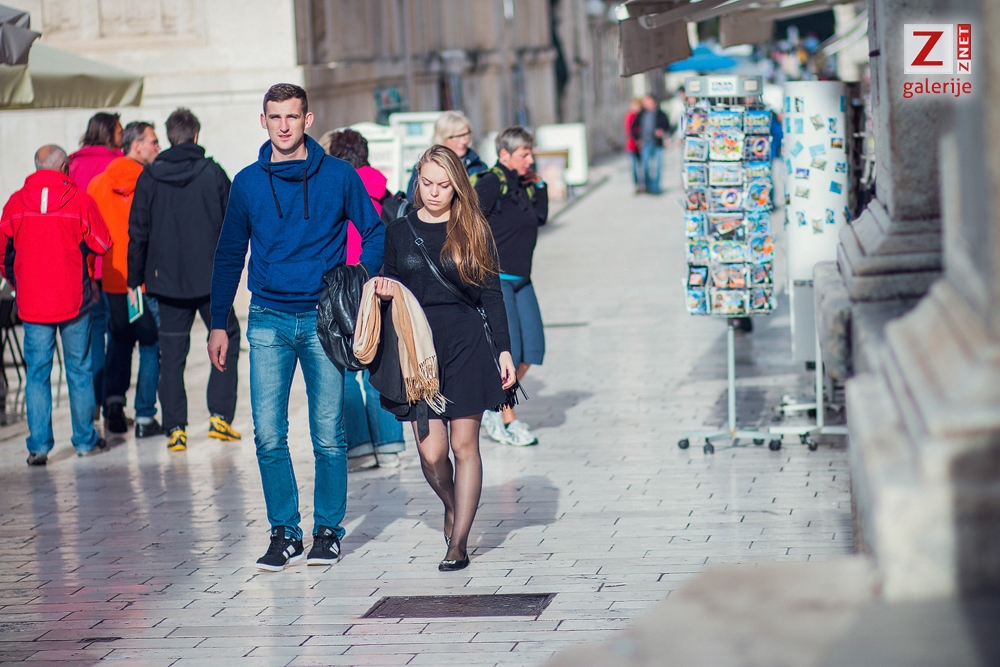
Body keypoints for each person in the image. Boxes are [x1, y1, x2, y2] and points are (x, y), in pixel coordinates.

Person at [209, 83, 385, 572]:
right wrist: (219, 321)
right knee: (268, 434)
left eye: (292, 116)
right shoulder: (247, 183)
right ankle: (285, 532)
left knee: (328, 434)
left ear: (308, 120)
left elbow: (375, 231)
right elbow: (229, 254)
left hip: (324, 319)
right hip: (267, 318)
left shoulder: (339, 176)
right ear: (262, 120)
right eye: (275, 116)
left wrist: (359, 279)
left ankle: (327, 530)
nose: (283, 125)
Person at [374, 145, 517, 571]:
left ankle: (459, 542)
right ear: (417, 180)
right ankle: (453, 504)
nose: (434, 192)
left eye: (443, 185)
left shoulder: (473, 228)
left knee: (463, 444)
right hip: (420, 350)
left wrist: (504, 350)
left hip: (466, 343)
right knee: (432, 453)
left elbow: (492, 294)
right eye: (427, 183)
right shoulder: (399, 231)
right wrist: (383, 291)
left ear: (457, 186)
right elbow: (391, 284)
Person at [128, 108, 240, 452]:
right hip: (211, 280)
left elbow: (138, 231)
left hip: (166, 282)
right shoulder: (213, 172)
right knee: (227, 338)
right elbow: (233, 224)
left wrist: (134, 278)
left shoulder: (149, 177)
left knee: (172, 354)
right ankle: (220, 416)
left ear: (170, 137)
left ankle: (175, 427)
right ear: (195, 135)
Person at [0, 145, 113, 464]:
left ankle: (38, 446)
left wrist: (17, 281)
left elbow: (3, 252)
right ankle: (84, 440)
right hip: (73, 299)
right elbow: (103, 243)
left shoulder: (15, 202)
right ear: (64, 167)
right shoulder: (79, 200)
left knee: (37, 373)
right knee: (79, 370)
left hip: (32, 302)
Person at [321, 128, 405, 471]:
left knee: (342, 369)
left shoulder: (335, 191)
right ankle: (389, 446)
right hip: (381, 286)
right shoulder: (384, 192)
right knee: (379, 366)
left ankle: (359, 449)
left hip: (343, 288)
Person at [87, 121, 163, 438]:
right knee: (151, 344)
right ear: (136, 146)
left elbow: (88, 233)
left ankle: (114, 406)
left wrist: (91, 275)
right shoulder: (152, 181)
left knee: (119, 340)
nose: (158, 147)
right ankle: (145, 415)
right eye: (153, 142)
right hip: (145, 279)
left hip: (113, 278)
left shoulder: (97, 183)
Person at [473, 127, 548, 447]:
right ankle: (506, 417)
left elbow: (540, 218)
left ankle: (494, 402)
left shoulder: (523, 183)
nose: (530, 159)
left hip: (522, 279)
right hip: (497, 280)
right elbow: (471, 219)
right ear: (504, 154)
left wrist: (540, 185)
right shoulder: (492, 182)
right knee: (511, 353)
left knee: (533, 350)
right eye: (524, 154)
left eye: (531, 153)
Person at [68, 112, 123, 424]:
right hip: (115, 262)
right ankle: (114, 400)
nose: (121, 135)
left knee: (94, 333)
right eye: (119, 131)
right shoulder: (117, 164)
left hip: (84, 263)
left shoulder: (72, 165)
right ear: (109, 133)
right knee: (119, 333)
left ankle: (96, 404)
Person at [405, 110, 488, 200]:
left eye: (465, 135)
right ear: (441, 138)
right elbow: (413, 201)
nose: (463, 141)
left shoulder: (479, 167)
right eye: (456, 137)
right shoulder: (423, 168)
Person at [630, 95, 672, 195]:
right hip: (645, 143)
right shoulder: (641, 114)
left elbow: (667, 126)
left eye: (647, 101)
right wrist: (637, 138)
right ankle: (648, 186)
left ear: (653, 102)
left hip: (657, 143)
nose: (645, 103)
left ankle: (656, 188)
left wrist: (662, 131)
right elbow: (633, 127)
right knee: (646, 167)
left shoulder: (661, 114)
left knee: (657, 167)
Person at [624, 98, 642, 193]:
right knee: (634, 167)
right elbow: (628, 130)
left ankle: (643, 184)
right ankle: (636, 185)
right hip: (632, 145)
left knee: (643, 167)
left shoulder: (641, 115)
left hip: (641, 146)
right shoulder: (630, 116)